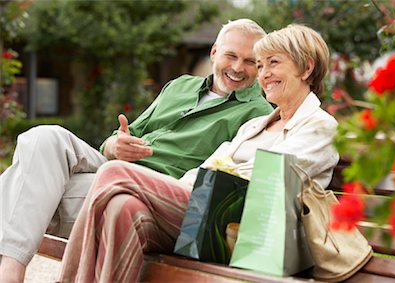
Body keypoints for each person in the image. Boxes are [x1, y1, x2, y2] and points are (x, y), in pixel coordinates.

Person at [58, 24, 340, 282]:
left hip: (249, 233)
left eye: (273, 63)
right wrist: (181, 187)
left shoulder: (319, 127)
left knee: (113, 171)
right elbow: (205, 169)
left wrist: (210, 176)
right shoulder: (256, 125)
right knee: (123, 207)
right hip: (210, 216)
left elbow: (265, 181)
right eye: (262, 64)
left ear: (306, 69)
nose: (263, 74)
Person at [0, 18, 274, 282]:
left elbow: (221, 180)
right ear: (214, 52)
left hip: (148, 193)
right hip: (109, 172)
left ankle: (8, 271)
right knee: (43, 137)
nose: (238, 67)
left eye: (250, 61)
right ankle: (11, 271)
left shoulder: (258, 114)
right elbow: (125, 136)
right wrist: (113, 146)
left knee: (24, 185)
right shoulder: (180, 86)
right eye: (231, 55)